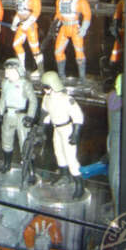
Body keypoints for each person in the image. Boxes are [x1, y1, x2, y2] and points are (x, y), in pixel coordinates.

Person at [40, 71, 85, 199]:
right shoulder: (47, 98)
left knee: (71, 158)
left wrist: (75, 134)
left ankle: (79, 185)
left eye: (46, 87)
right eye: (44, 87)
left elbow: (78, 116)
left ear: (53, 85)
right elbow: (45, 114)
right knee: (59, 153)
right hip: (56, 129)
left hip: (66, 130)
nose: (44, 89)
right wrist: (41, 128)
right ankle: (64, 176)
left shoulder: (66, 99)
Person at [0, 58, 37, 173]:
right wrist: (0, 113)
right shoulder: (5, 83)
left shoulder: (25, 84)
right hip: (8, 115)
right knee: (6, 141)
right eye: (6, 70)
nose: (7, 73)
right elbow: (2, 99)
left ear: (18, 70)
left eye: (10, 71)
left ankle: (30, 170)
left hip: (21, 117)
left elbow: (33, 101)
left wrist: (30, 116)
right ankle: (6, 164)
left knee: (25, 144)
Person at [53, 0, 91, 80]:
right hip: (64, 28)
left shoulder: (81, 1)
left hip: (75, 28)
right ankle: (61, 76)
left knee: (79, 52)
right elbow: (58, 15)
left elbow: (87, 15)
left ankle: (82, 77)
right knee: (58, 51)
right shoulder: (60, 1)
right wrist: (54, 27)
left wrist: (84, 28)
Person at [11, 0, 43, 75]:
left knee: (34, 48)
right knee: (16, 45)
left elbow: (36, 13)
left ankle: (40, 69)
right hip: (21, 25)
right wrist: (14, 23)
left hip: (30, 26)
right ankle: (21, 67)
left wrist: (28, 23)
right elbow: (18, 13)